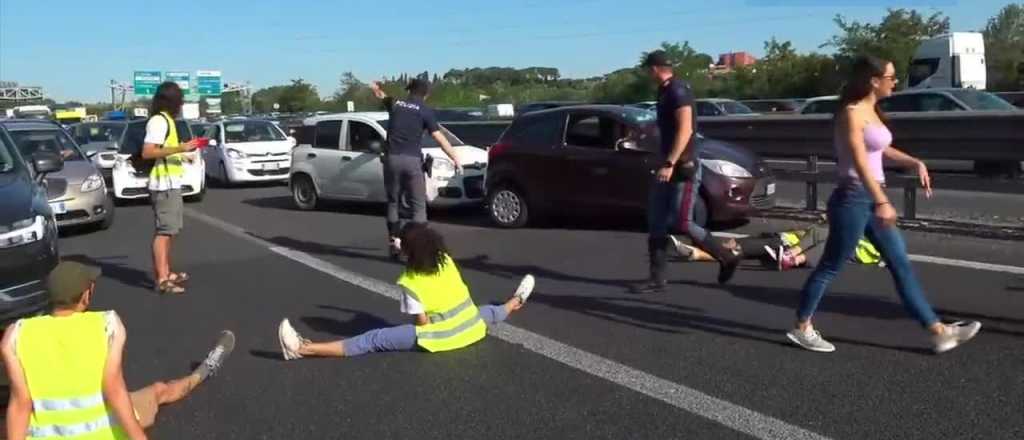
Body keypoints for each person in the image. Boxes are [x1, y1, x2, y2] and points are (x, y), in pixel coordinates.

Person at [785, 55, 981, 354]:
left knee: (900, 264)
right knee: (830, 266)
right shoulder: (851, 113)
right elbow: (861, 161)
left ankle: (938, 331)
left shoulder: (871, 111)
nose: (895, 82)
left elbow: (881, 150)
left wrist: (915, 162)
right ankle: (801, 327)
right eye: (890, 77)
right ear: (873, 80)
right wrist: (882, 201)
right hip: (853, 198)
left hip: (869, 196)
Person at [1, 261, 235, 439]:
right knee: (157, 391)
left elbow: (20, 404)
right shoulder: (107, 325)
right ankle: (203, 371)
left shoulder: (17, 334)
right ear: (86, 294)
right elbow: (114, 390)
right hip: (103, 432)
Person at [277, 224, 534, 359]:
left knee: (372, 340)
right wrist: (404, 242)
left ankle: (301, 350)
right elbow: (419, 244)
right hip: (471, 327)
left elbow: (422, 323)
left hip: (439, 338)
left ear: (409, 253)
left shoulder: (410, 281)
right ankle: (516, 300)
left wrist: (402, 247)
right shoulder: (444, 258)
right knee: (490, 312)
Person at [634, 50, 740, 294]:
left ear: (654, 68)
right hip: (666, 166)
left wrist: (671, 163)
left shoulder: (677, 90)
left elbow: (685, 130)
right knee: (656, 220)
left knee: (683, 222)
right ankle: (656, 278)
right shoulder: (663, 91)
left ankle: (726, 256)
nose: (646, 74)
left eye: (647, 69)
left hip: (683, 167)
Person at [369, 79, 463, 260]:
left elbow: (382, 96)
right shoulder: (425, 111)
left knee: (393, 202)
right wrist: (455, 158)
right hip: (412, 161)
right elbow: (440, 138)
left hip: (391, 159)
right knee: (418, 207)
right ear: (426, 94)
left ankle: (394, 243)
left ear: (409, 91)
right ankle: (418, 249)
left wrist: (375, 89)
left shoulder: (396, 104)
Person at [141, 82, 198, 294]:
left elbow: (164, 150)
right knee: (164, 232)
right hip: (163, 185)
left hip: (171, 183)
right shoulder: (158, 121)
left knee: (171, 230)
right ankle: (162, 279)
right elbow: (148, 152)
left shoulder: (168, 121)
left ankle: (166, 271)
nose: (181, 103)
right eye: (180, 99)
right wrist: (181, 147)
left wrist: (183, 154)